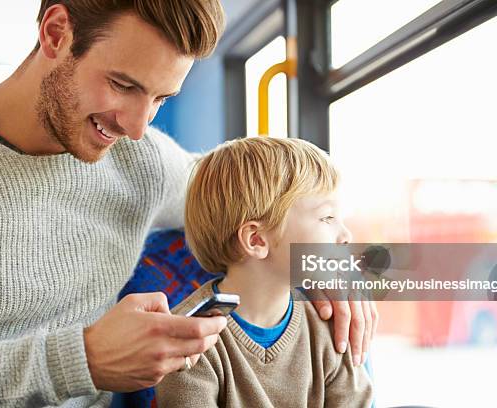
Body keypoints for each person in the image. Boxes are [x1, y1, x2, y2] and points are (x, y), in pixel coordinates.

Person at [0, 1, 377, 407]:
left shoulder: (139, 160)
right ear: (56, 32)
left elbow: (254, 197)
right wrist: (78, 361)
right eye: (123, 85)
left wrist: (327, 261)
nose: (137, 127)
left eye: (160, 99)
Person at [155, 137, 373, 407]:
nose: (345, 236)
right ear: (256, 240)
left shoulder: (328, 328)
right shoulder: (190, 339)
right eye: (327, 218)